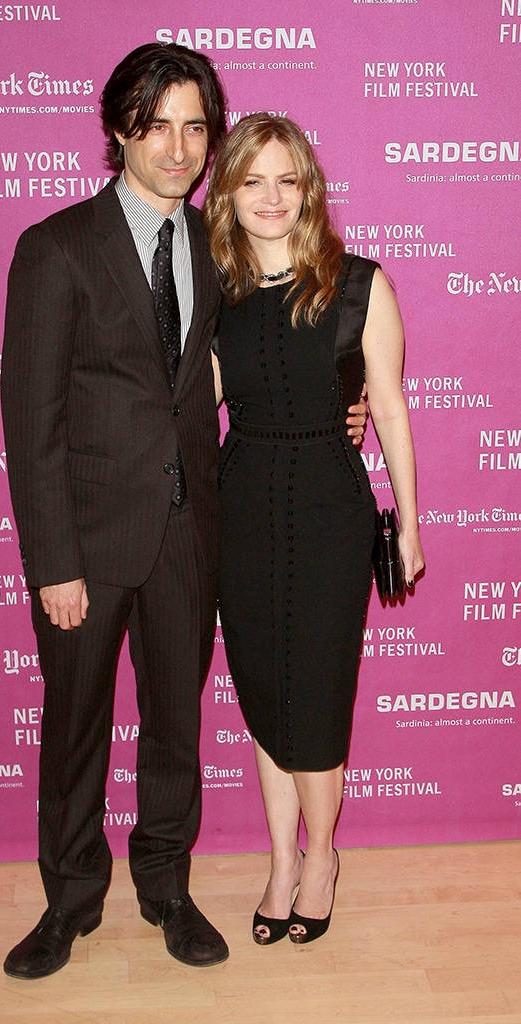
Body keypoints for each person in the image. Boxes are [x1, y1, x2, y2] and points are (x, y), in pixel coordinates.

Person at [1, 44, 367, 977]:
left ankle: (166, 887)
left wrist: (346, 403)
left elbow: (282, 346)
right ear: (119, 127)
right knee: (76, 727)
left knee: (176, 729)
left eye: (196, 126)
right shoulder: (55, 248)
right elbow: (31, 418)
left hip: (193, 534)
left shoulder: (220, 245)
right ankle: (69, 902)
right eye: (156, 124)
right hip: (85, 538)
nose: (178, 146)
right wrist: (52, 561)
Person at [203, 114, 424, 946]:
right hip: (243, 509)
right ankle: (279, 862)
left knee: (319, 698)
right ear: (228, 191)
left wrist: (408, 523)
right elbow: (199, 405)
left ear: (310, 189)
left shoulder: (359, 284)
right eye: (251, 179)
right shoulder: (215, 296)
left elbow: (392, 409)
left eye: (285, 179)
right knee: (264, 694)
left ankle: (323, 856)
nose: (269, 197)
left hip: (333, 510)